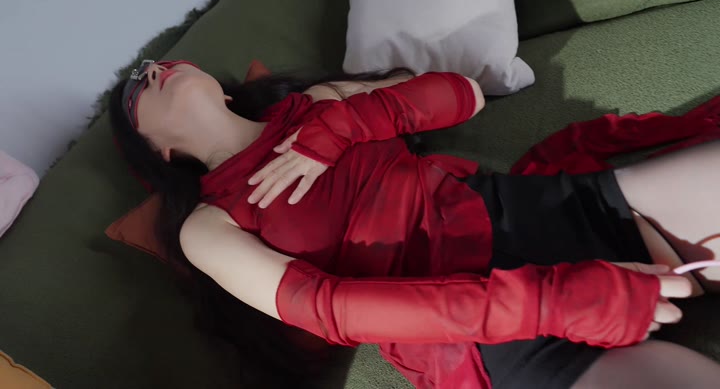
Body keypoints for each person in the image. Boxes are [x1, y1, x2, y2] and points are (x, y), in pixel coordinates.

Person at [109, 59, 720, 389]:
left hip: (528, 212)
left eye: (160, 63)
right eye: (136, 90)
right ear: (159, 152)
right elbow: (333, 311)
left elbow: (462, 94)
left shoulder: (315, 104)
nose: (153, 70)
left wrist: (341, 124)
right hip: (477, 332)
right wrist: (549, 302)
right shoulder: (207, 227)